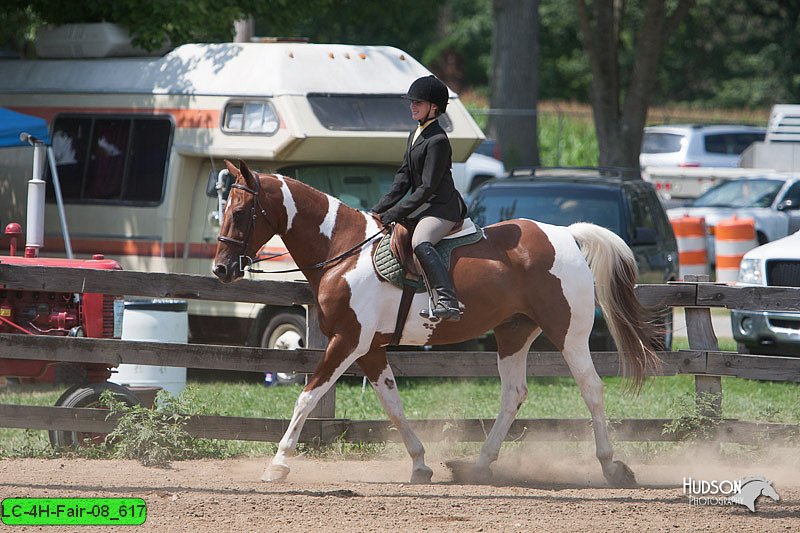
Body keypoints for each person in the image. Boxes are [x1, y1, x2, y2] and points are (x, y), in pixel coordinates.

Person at [371, 75, 467, 321]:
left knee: (420, 242)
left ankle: (448, 300)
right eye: (412, 101)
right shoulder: (415, 133)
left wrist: (393, 214)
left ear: (434, 107)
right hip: (425, 206)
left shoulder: (437, 140)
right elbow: (403, 178)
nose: (413, 106)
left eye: (419, 102)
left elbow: (426, 188)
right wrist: (378, 209)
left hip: (441, 208)